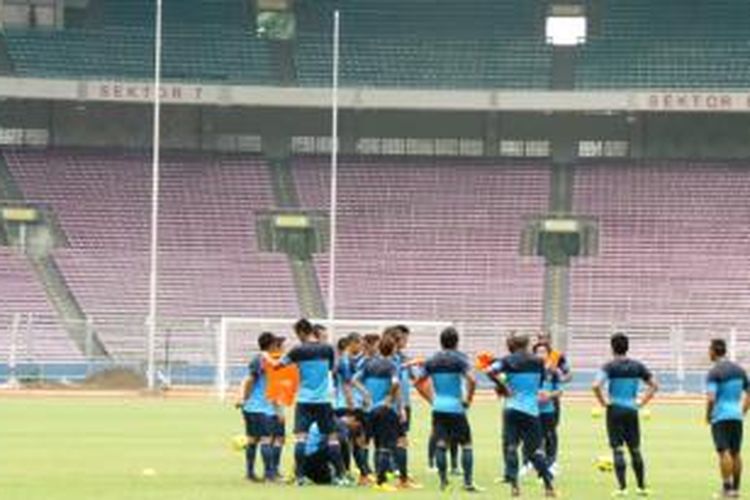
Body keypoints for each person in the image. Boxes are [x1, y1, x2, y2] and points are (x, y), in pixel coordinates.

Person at [271, 318, 348, 486]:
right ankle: (342, 476)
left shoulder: (297, 351)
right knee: (332, 438)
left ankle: (300, 477)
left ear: (300, 332)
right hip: (323, 399)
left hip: (304, 400)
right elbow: (332, 369)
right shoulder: (327, 348)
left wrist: (269, 358)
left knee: (301, 439)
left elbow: (277, 366)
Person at [485, 333, 557, 498]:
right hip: (531, 410)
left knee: (511, 447)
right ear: (527, 344)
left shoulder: (507, 360)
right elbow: (540, 382)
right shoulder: (538, 361)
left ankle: (515, 487)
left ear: (513, 344)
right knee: (535, 451)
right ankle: (548, 486)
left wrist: (503, 386)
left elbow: (489, 371)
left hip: (511, 408)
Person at [415, 327, 482, 492]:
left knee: (440, 444)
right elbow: (472, 380)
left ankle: (444, 482)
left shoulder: (431, 360)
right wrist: (469, 399)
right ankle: (467, 483)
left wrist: (431, 399)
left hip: (439, 407)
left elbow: (417, 382)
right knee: (466, 444)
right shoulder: (461, 359)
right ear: (457, 342)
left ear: (441, 341)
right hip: (456, 407)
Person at [592, 332, 658, 497]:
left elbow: (595, 385)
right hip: (631, 409)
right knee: (635, 449)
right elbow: (654, 385)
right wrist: (642, 402)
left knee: (617, 449)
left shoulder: (609, 366)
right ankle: (641, 487)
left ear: (612, 347)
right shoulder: (637, 366)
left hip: (615, 409)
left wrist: (603, 402)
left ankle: (622, 489)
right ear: (627, 347)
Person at [352, 334, 403, 492]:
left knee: (368, 442)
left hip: (369, 409)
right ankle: (381, 482)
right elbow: (395, 383)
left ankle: (367, 475)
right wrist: (389, 397)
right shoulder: (392, 365)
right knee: (383, 445)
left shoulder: (369, 363)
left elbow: (354, 380)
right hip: (384, 409)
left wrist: (366, 393)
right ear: (393, 349)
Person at [706, 338, 750, 498]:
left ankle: (727, 488)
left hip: (721, 416)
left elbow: (711, 398)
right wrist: (743, 411)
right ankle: (736, 489)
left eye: (709, 350)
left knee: (724, 452)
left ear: (713, 351)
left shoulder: (714, 372)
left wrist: (708, 415)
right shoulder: (739, 370)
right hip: (736, 416)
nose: (708, 353)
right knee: (736, 453)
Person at [236, 332, 282, 482]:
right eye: (275, 343)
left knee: (252, 439)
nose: (277, 346)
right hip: (261, 407)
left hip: (254, 408)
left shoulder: (264, 359)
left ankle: (250, 474)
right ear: (270, 345)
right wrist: (245, 399)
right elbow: (250, 380)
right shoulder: (262, 359)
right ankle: (269, 475)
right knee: (266, 440)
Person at [534, 342, 563, 477]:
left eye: (543, 352)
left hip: (548, 410)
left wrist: (549, 395)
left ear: (548, 354)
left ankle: (551, 464)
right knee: (534, 438)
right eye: (538, 352)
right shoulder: (530, 370)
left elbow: (559, 391)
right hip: (532, 409)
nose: (541, 354)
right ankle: (535, 465)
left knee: (550, 437)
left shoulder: (553, 371)